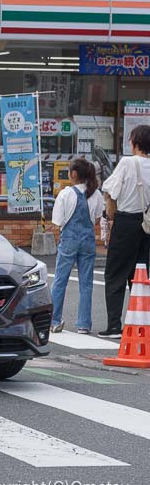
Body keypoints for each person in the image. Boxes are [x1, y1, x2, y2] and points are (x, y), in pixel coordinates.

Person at [99, 124, 150, 338]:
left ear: (135, 142)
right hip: (147, 225)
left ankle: (113, 326)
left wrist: (108, 217)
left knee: (115, 274)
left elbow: (109, 188)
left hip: (126, 222)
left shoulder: (128, 163)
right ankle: (141, 325)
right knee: (140, 275)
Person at [49, 158, 104, 335]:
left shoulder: (66, 194)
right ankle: (83, 324)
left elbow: (57, 221)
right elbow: (96, 218)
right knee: (86, 283)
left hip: (69, 241)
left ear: (73, 174)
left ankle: (54, 320)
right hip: (88, 240)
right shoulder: (96, 194)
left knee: (60, 281)